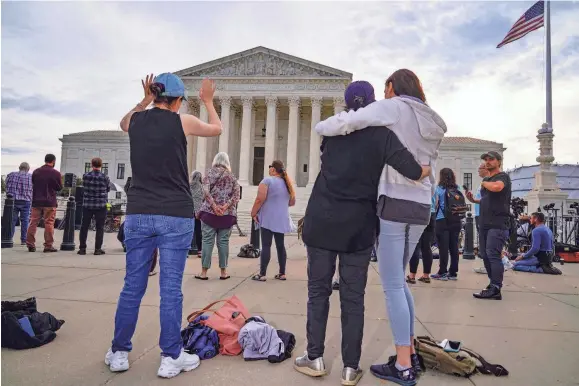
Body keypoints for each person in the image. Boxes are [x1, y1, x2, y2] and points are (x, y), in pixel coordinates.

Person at [297, 79, 434, 386]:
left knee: (317, 292)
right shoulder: (382, 136)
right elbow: (413, 171)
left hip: (322, 218)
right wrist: (427, 168)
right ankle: (350, 368)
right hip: (358, 225)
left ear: (346, 105)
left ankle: (315, 357)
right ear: (374, 104)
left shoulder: (332, 133)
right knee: (352, 298)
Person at [106, 73, 221, 378]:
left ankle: (119, 352)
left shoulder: (137, 121)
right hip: (175, 213)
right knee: (171, 289)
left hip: (140, 212)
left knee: (132, 286)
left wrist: (144, 99)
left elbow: (123, 122)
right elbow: (217, 128)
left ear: (154, 94)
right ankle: (170, 357)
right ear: (179, 100)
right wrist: (208, 101)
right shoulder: (182, 121)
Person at [466, 151, 512, 300]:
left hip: (497, 223)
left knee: (493, 255)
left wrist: (484, 182)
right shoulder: (488, 180)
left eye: (491, 159)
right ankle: (493, 285)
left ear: (499, 161)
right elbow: (488, 199)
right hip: (485, 223)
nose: (487, 161)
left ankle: (496, 288)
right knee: (485, 255)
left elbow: (497, 188)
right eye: (486, 159)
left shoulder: (502, 177)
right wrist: (474, 201)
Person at [194, 152, 240, 281]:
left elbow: (205, 192)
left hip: (209, 213)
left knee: (207, 241)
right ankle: (223, 272)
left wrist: (214, 206)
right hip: (226, 214)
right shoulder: (232, 177)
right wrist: (225, 206)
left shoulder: (209, 174)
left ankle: (204, 272)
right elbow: (236, 195)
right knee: (223, 242)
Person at [250, 160, 296, 281]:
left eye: (270, 166)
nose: (269, 168)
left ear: (273, 169)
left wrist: (253, 212)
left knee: (266, 245)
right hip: (281, 218)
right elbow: (292, 202)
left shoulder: (267, 181)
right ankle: (282, 273)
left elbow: (260, 199)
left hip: (268, 217)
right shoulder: (288, 183)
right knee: (280, 245)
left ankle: (262, 274)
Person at [26, 154, 62, 253]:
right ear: (53, 161)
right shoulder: (56, 173)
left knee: (33, 222)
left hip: (36, 201)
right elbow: (59, 187)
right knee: (49, 223)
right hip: (50, 202)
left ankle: (30, 244)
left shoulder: (36, 172)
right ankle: (48, 245)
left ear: (45, 160)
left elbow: (33, 183)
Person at [430, 168, 461, 281]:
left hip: (441, 219)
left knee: (443, 247)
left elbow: (434, 203)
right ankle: (453, 272)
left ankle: (442, 272)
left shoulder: (438, 189)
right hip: (456, 220)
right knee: (454, 247)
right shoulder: (457, 188)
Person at [78, 157, 110, 256]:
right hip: (101, 205)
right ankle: (97, 249)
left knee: (84, 227)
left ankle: (82, 249)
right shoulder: (105, 177)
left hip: (87, 204)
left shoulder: (86, 176)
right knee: (100, 227)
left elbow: (84, 187)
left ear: (92, 165)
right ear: (101, 165)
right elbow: (108, 189)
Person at [407, 194, 436, 284]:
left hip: (418, 212)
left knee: (415, 245)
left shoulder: (417, 182)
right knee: (426, 247)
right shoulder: (432, 184)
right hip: (431, 214)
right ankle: (426, 275)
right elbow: (437, 202)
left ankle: (412, 276)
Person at [5, 162, 33, 245]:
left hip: (12, 201)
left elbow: (6, 185)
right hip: (26, 201)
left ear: (19, 167)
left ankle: (9, 238)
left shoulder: (11, 174)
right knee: (25, 221)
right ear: (28, 169)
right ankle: (24, 240)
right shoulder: (31, 177)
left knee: (12, 220)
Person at [190, 171, 204, 256]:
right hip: (199, 213)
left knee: (189, 231)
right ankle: (200, 250)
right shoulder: (202, 188)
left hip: (190, 211)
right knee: (199, 231)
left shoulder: (189, 186)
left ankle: (188, 249)